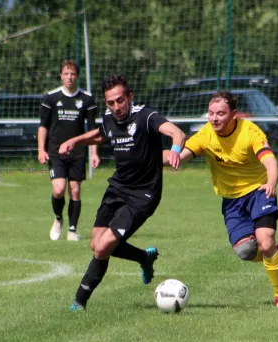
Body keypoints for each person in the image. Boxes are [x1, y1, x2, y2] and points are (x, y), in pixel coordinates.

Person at [59, 74, 186, 311]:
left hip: (142, 195)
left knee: (103, 247)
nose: (116, 107)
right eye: (110, 103)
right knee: (96, 244)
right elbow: (101, 134)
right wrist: (75, 141)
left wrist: (176, 150)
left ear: (130, 96)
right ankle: (143, 257)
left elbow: (177, 133)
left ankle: (79, 301)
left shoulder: (146, 116)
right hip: (117, 187)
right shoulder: (109, 117)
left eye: (120, 100)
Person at [176, 91, 278, 308]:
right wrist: (161, 157)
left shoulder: (250, 132)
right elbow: (181, 156)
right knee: (246, 251)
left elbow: (270, 161)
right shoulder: (205, 135)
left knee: (265, 241)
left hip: (259, 191)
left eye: (220, 114)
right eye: (211, 113)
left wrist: (271, 183)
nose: (214, 118)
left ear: (233, 114)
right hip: (232, 201)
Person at [38, 59, 100, 241]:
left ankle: (72, 230)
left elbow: (93, 130)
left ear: (77, 76)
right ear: (61, 75)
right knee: (58, 190)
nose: (69, 77)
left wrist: (94, 153)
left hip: (78, 152)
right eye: (66, 74)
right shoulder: (51, 98)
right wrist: (41, 150)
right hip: (56, 151)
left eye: (73, 74)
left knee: (75, 190)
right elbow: (43, 126)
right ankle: (58, 219)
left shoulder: (87, 99)